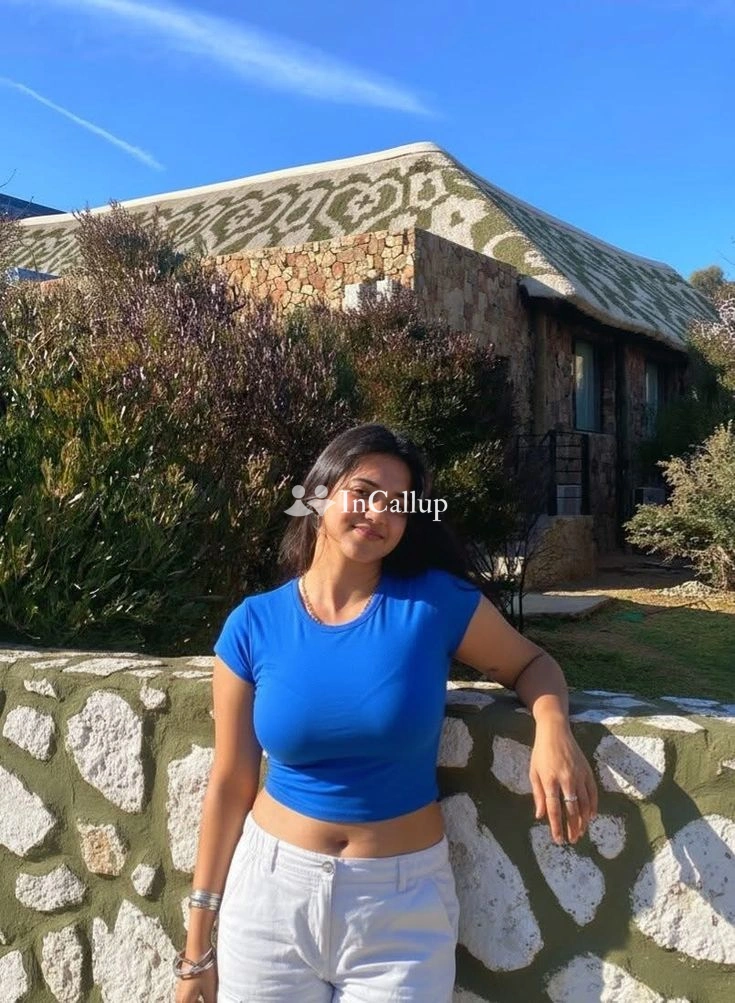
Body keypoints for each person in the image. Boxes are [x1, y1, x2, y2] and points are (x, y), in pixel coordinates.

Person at [174, 423, 598, 1003]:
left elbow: (532, 664)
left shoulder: (434, 604)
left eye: (398, 504)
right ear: (318, 495)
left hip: (401, 909)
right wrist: (197, 947)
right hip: (269, 898)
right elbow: (229, 784)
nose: (379, 512)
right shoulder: (254, 624)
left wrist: (552, 729)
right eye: (364, 492)